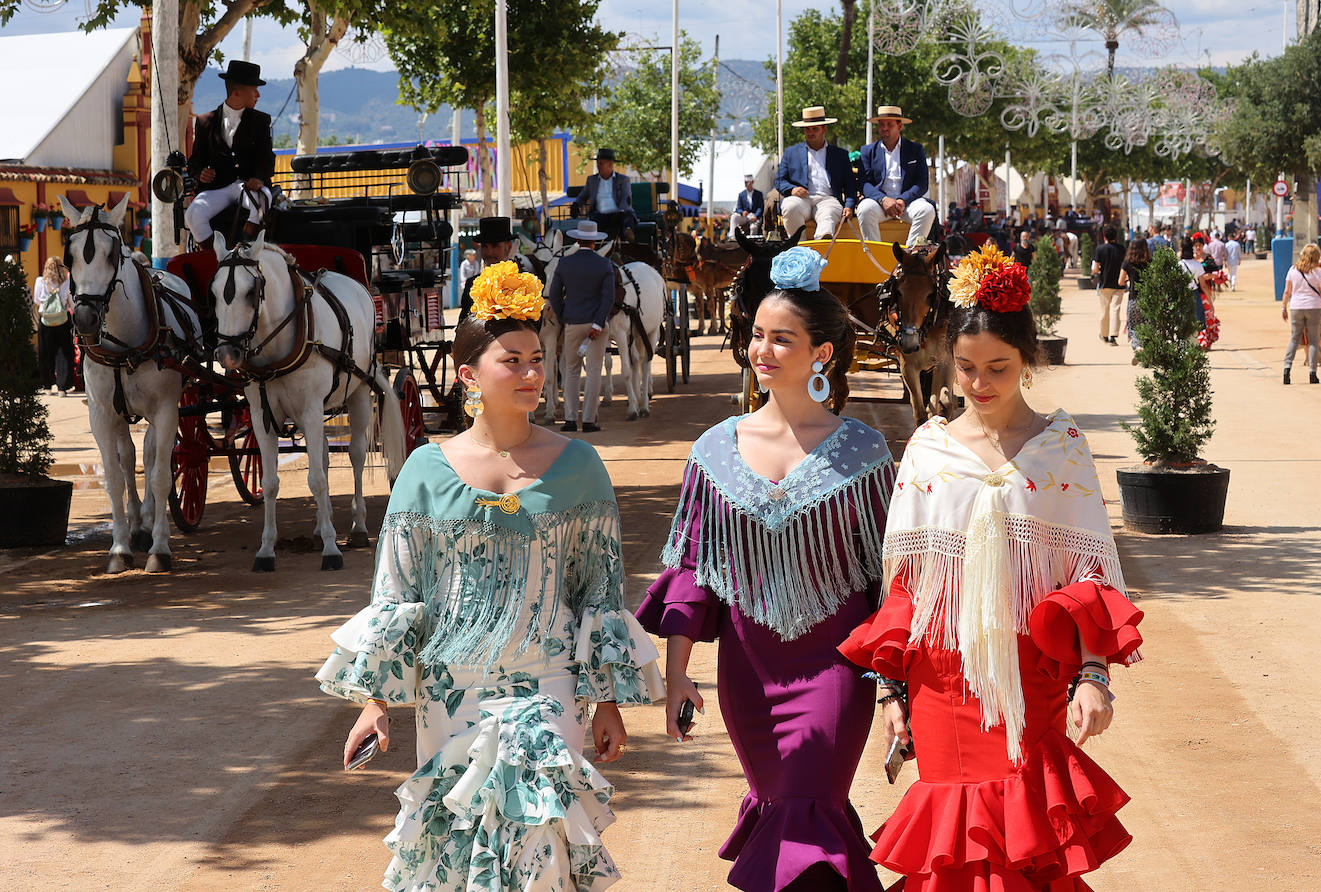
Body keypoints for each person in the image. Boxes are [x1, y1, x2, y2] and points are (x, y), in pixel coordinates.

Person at [317, 264, 664, 891]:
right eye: (514, 360)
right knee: (458, 848)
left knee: (538, 848)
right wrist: (375, 703)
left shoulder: (581, 466)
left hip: (549, 687)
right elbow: (397, 592)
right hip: (451, 694)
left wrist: (608, 700)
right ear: (468, 373)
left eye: (537, 358)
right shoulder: (424, 470)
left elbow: (599, 591)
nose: (532, 373)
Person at [838, 247, 1142, 891]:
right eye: (967, 368)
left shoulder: (1063, 448)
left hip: (1031, 681)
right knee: (960, 852)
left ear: (1027, 361)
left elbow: (1088, 578)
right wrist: (890, 692)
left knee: (1025, 841)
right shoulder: (926, 449)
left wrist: (1093, 677)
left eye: (998, 367)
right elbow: (905, 587)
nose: (980, 383)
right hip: (941, 685)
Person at [636, 246, 894, 892]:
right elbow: (694, 574)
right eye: (757, 335)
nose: (764, 351)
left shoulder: (863, 451)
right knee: (781, 811)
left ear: (821, 353)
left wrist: (896, 689)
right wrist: (676, 678)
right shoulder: (714, 450)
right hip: (748, 676)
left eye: (783, 339)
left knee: (812, 808)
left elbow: (889, 582)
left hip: (838, 667)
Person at [186, 60, 274, 251]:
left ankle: (245, 252)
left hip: (249, 187)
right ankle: (214, 256)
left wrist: (258, 178)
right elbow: (195, 161)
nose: (258, 95)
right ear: (237, 93)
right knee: (193, 214)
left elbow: (266, 156)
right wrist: (200, 173)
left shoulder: (261, 120)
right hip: (220, 188)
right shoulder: (204, 122)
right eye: (254, 90)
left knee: (260, 202)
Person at [547, 220, 616, 433]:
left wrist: (564, 315)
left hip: (572, 323)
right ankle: (588, 420)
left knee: (571, 370)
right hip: (596, 325)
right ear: (596, 242)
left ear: (577, 239)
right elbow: (608, 297)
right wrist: (597, 321)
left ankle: (569, 419)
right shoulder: (604, 265)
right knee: (594, 370)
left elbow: (555, 294)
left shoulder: (565, 263)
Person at [855, 105, 936, 247]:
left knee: (927, 210)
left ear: (899, 126)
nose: (884, 128)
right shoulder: (867, 151)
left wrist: (902, 200)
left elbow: (922, 183)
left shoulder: (915, 149)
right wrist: (883, 200)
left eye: (889, 124)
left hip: (908, 203)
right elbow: (864, 184)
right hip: (879, 203)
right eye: (881, 124)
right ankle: (875, 255)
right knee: (864, 209)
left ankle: (908, 258)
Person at [774, 106, 857, 239]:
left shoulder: (840, 155)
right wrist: (792, 190)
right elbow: (779, 180)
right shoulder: (791, 153)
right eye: (807, 129)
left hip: (829, 200)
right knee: (789, 206)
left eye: (815, 128)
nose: (810, 132)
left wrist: (849, 206)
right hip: (801, 200)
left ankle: (822, 248)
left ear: (824, 129)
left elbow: (850, 185)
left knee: (828, 215)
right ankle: (799, 249)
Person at [459, 217, 536, 319]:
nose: (489, 252)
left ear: (508, 247)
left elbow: (534, 324)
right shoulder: (472, 286)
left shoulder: (525, 284)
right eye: (485, 246)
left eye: (495, 246)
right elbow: (463, 326)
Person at [1281, 243, 1321, 385]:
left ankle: (1286, 369)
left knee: (1294, 338)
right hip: (1314, 307)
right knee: (1314, 340)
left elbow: (1286, 291)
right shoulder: (1318, 272)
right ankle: (1312, 373)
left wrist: (1283, 307)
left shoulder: (1292, 270)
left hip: (1296, 307)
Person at [571, 147, 638, 242]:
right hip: (599, 214)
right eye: (598, 163)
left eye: (601, 163)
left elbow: (625, 198)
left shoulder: (623, 180)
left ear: (610, 164)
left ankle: (628, 232)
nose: (598, 166)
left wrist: (620, 211)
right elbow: (583, 196)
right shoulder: (592, 180)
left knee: (628, 215)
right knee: (595, 220)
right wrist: (576, 204)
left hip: (619, 213)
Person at [32, 255, 75, 395]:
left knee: (45, 353)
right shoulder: (66, 282)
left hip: (46, 320)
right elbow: (71, 301)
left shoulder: (40, 281)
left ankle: (47, 386)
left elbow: (37, 300)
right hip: (62, 320)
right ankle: (62, 387)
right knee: (64, 353)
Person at [1181, 237, 1222, 350]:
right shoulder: (1197, 266)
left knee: (1183, 322)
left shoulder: (1178, 265)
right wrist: (1210, 301)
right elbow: (1203, 285)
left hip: (1182, 296)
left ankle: (1183, 347)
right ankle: (1194, 346)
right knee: (1197, 322)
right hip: (1194, 295)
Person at [1092, 225, 1126, 345]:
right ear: (1115, 236)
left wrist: (1095, 272)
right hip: (1119, 283)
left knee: (1104, 310)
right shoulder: (1122, 249)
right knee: (1116, 309)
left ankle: (1104, 335)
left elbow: (1095, 268)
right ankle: (1113, 336)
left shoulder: (1100, 249)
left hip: (1105, 283)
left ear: (1104, 236)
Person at [1119, 237, 1150, 361]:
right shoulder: (1150, 261)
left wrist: (1129, 279)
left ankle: (1137, 347)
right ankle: (1146, 350)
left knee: (1133, 326)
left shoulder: (1127, 262)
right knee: (1147, 325)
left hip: (1133, 299)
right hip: (1147, 299)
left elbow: (1120, 281)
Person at [729, 174, 765, 239]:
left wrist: (756, 216)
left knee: (753, 228)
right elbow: (738, 208)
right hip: (746, 217)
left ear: (752, 182)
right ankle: (733, 237)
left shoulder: (758, 194)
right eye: (745, 182)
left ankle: (751, 243)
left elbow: (760, 207)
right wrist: (742, 212)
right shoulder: (741, 194)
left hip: (755, 216)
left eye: (747, 182)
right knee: (734, 217)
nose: (745, 184)